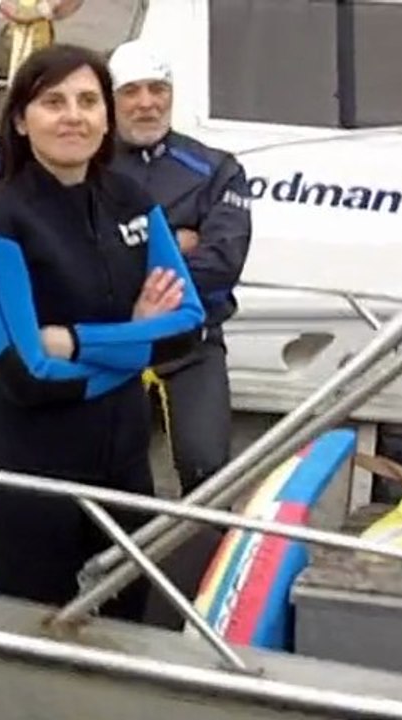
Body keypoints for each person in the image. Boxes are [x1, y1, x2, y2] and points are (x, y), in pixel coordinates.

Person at [0, 43, 205, 618]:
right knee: (36, 638)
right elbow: (27, 376)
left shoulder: (132, 202)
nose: (74, 115)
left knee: (128, 623)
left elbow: (189, 329)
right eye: (54, 102)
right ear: (21, 120)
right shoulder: (2, 220)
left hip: (124, 472)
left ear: (106, 117)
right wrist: (137, 338)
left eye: (89, 100)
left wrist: (79, 341)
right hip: (33, 482)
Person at [108, 40, 252, 497]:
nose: (147, 103)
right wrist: (176, 242)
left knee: (210, 474)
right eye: (131, 91)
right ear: (110, 100)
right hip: (111, 344)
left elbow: (221, 265)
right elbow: (69, 257)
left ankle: (204, 562)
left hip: (192, 345)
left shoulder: (216, 169)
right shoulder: (83, 166)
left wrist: (126, 253)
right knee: (102, 477)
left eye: (158, 89)